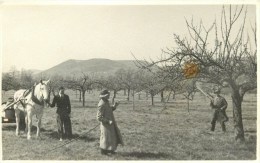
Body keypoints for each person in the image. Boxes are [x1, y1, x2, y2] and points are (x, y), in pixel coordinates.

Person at [97, 89, 123, 155]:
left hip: (110, 123)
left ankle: (110, 150)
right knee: (105, 138)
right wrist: (108, 121)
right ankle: (103, 151)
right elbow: (99, 117)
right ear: (104, 96)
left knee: (111, 137)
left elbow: (109, 110)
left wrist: (114, 106)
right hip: (106, 125)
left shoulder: (106, 102)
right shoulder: (101, 104)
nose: (109, 96)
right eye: (108, 95)